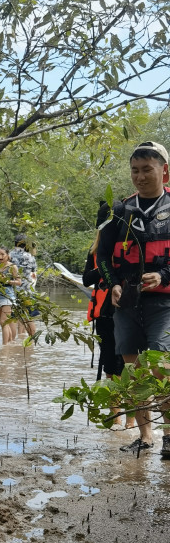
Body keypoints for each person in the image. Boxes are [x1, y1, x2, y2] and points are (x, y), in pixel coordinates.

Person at [97, 140, 170, 458]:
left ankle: (169, 437)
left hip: (164, 303)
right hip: (125, 302)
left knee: (161, 368)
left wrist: (163, 276)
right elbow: (101, 257)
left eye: (147, 170)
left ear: (164, 171)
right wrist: (112, 284)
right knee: (135, 370)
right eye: (135, 171)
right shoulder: (119, 211)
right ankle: (146, 437)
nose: (140, 176)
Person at [82, 231, 134, 430]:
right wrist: (105, 267)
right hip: (104, 315)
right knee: (111, 368)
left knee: (130, 367)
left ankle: (131, 422)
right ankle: (116, 419)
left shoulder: (130, 248)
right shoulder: (94, 251)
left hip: (128, 311)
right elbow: (86, 278)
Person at [0, 247, 21, 344]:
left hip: (8, 296)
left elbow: (19, 282)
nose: (0, 256)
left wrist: (8, 281)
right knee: (3, 322)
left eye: (2, 254)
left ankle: (5, 346)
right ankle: (10, 342)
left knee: (4, 322)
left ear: (8, 255)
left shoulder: (12, 267)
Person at [10, 235, 38, 338]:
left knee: (13, 319)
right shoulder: (30, 257)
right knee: (29, 318)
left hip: (13, 291)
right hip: (28, 291)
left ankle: (12, 343)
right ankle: (32, 341)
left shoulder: (9, 255)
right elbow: (34, 275)